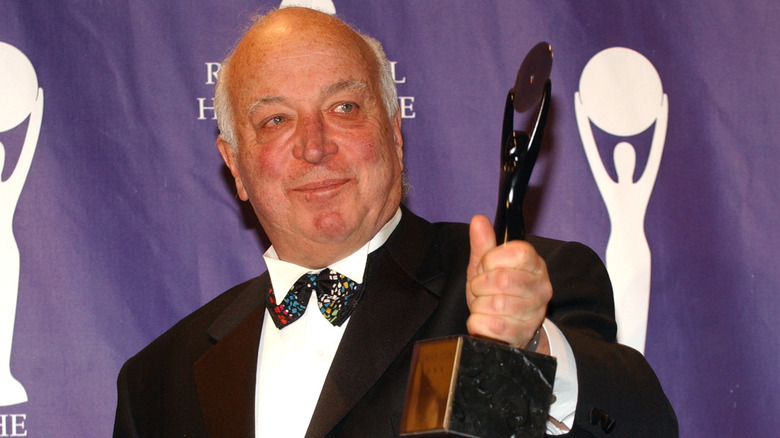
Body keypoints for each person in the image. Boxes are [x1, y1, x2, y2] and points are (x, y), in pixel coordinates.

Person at [113, 7, 677, 437]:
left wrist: (531, 349)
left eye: (344, 109)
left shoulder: (525, 288)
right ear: (235, 165)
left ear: (394, 135)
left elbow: (641, 424)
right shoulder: (159, 380)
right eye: (276, 119)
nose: (313, 146)